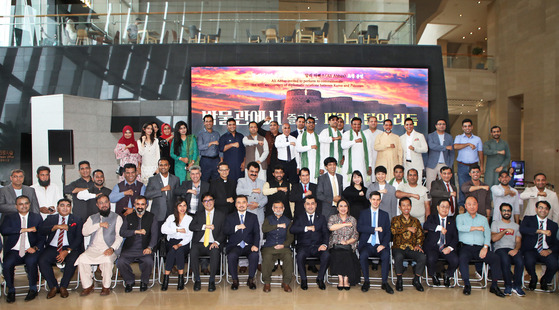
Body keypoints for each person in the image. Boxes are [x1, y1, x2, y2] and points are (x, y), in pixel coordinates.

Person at [456, 196, 504, 297]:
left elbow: (487, 234)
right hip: (465, 247)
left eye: (474, 204)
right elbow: (460, 228)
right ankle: (467, 284)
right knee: (462, 258)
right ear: (465, 206)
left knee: (495, 258)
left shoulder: (483, 219)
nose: (472, 206)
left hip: (480, 248)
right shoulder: (460, 217)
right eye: (469, 204)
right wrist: (476, 228)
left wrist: (485, 247)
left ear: (477, 205)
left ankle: (494, 285)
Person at [76, 194, 123, 297]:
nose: (104, 205)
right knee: (82, 258)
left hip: (109, 248)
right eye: (101, 203)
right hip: (93, 248)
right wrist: (99, 225)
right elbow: (84, 232)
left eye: (106, 202)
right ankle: (88, 286)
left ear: (109, 203)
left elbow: (119, 237)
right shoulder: (92, 218)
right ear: (97, 205)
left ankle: (106, 287)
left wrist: (112, 248)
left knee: (107, 259)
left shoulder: (117, 217)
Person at [1, 195, 44, 303]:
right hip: (14, 250)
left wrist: (35, 247)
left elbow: (42, 236)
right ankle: (11, 290)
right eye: (20, 204)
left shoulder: (36, 217)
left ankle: (33, 288)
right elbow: (4, 230)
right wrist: (23, 229)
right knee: (7, 264)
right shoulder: (9, 217)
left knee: (31, 261)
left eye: (26, 203)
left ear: (29, 204)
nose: (23, 206)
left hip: (30, 249)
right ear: (16, 206)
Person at [38, 198, 84, 299]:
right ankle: (53, 286)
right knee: (42, 260)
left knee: (72, 260)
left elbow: (79, 238)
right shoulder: (51, 219)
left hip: (70, 248)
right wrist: (54, 227)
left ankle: (63, 286)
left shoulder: (77, 219)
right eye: (62, 205)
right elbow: (40, 230)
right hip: (53, 247)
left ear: (71, 208)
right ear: (58, 207)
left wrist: (67, 251)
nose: (65, 208)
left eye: (68, 205)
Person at [117, 195, 158, 293]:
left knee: (148, 261)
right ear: (134, 205)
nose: (140, 206)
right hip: (130, 248)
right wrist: (135, 231)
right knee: (121, 262)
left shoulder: (151, 217)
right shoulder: (129, 217)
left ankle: (144, 281)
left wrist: (150, 247)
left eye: (142, 204)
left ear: (146, 205)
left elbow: (155, 235)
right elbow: (122, 232)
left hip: (145, 248)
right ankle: (129, 281)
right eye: (138, 204)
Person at [290, 196, 330, 290]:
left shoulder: (321, 218)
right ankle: (304, 280)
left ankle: (320, 278)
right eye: (308, 204)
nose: (310, 206)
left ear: (316, 205)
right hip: (304, 246)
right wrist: (305, 228)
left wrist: (324, 245)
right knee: (299, 256)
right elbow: (292, 229)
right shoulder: (299, 217)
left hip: (318, 246)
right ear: (304, 205)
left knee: (327, 255)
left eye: (312, 203)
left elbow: (326, 233)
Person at [357, 191, 393, 294]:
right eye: (373, 199)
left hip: (380, 244)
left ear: (380, 201)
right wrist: (374, 229)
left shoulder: (385, 215)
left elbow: (387, 233)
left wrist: (383, 245)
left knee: (386, 255)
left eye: (378, 200)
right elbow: (360, 227)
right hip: (367, 244)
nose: (375, 202)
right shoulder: (363, 213)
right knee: (363, 256)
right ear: (370, 200)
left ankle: (385, 282)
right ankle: (366, 281)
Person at [189, 193, 226, 292]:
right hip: (200, 243)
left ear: (214, 201)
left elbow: (224, 231)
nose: (208, 203)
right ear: (202, 203)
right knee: (193, 251)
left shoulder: (221, 214)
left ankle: (212, 280)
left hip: (213, 243)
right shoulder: (199, 214)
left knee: (214, 251)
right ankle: (197, 279)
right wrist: (204, 226)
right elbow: (191, 227)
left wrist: (217, 242)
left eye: (210, 200)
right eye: (205, 201)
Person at [519, 200, 559, 291]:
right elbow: (523, 229)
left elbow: (556, 244)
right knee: (528, 260)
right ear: (536, 209)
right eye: (541, 207)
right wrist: (540, 231)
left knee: (554, 264)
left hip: (546, 250)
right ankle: (533, 278)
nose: (543, 210)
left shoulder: (553, 225)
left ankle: (545, 280)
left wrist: (549, 251)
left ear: (548, 211)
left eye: (546, 209)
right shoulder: (528, 219)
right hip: (531, 250)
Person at [224, 195, 260, 290]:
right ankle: (235, 281)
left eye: (243, 202)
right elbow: (225, 231)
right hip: (235, 245)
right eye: (239, 202)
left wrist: (255, 245)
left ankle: (251, 279)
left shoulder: (253, 217)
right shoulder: (229, 217)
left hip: (249, 246)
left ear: (247, 204)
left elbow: (257, 233)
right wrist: (236, 227)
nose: (241, 205)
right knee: (231, 256)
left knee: (254, 255)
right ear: (235, 205)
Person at [390, 197, 426, 292]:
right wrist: (407, 228)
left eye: (408, 205)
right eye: (403, 205)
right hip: (398, 247)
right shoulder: (395, 219)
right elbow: (393, 231)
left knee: (422, 257)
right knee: (398, 257)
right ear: (400, 207)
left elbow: (420, 235)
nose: (406, 207)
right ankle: (399, 280)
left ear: (411, 206)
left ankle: (417, 280)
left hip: (411, 248)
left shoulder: (415, 221)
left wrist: (418, 245)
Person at [491, 203, 525, 296]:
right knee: (505, 260)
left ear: (511, 212)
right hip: (500, 248)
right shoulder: (495, 223)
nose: (506, 212)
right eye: (504, 210)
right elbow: (494, 238)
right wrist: (505, 231)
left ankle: (517, 286)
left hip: (513, 249)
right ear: (501, 212)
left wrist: (516, 249)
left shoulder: (516, 226)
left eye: (508, 211)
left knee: (520, 261)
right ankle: (508, 285)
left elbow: (518, 241)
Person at [423, 199, 459, 287]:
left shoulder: (452, 221)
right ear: (438, 207)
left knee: (455, 260)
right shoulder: (432, 218)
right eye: (442, 206)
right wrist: (439, 228)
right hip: (433, 247)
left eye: (447, 207)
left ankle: (448, 275)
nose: (445, 209)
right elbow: (426, 225)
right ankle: (434, 275)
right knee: (430, 259)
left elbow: (455, 238)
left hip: (446, 247)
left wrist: (450, 248)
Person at [160, 198, 193, 291]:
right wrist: (177, 230)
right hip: (171, 241)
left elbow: (189, 236)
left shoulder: (189, 219)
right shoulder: (171, 217)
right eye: (180, 205)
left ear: (187, 207)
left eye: (184, 205)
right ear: (176, 207)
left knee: (178, 251)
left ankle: (178, 278)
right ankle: (169, 278)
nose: (182, 208)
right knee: (172, 250)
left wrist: (179, 244)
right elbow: (163, 229)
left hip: (184, 242)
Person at [261, 201, 294, 293]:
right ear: (272, 209)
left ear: (283, 209)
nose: (278, 209)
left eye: (280, 207)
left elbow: (290, 237)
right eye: (276, 207)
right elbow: (264, 229)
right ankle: (267, 282)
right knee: (267, 258)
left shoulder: (288, 221)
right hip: (269, 246)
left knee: (288, 258)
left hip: (283, 247)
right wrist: (277, 226)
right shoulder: (268, 219)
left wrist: (284, 245)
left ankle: (286, 282)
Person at [327, 199, 360, 290]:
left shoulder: (352, 219)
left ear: (348, 208)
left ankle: (346, 279)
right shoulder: (333, 218)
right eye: (341, 206)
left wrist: (347, 242)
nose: (343, 208)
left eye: (345, 206)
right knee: (339, 253)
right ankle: (340, 279)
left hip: (349, 245)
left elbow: (355, 235)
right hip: (335, 244)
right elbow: (331, 227)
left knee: (347, 253)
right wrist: (344, 224)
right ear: (337, 208)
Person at [454, 119, 484, 207]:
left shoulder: (477, 139)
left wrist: (481, 166)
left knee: (474, 185)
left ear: (472, 127)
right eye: (465, 126)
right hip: (462, 165)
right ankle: (462, 205)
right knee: (463, 186)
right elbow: (455, 146)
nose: (467, 128)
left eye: (469, 126)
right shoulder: (459, 137)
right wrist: (467, 144)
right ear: (463, 128)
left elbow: (480, 153)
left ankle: (473, 205)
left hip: (474, 166)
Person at [145, 158, 180, 226]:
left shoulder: (176, 179)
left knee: (170, 235)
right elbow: (147, 194)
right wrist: (161, 190)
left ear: (169, 166)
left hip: (171, 213)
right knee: (157, 235)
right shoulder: (152, 179)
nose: (163, 167)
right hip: (158, 214)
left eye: (165, 165)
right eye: (161, 165)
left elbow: (178, 196)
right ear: (158, 166)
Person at [341, 117, 371, 187]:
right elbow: (343, 145)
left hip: (362, 164)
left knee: (362, 183)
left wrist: (369, 165)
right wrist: (354, 141)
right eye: (354, 124)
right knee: (348, 183)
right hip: (350, 164)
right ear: (351, 125)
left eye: (358, 124)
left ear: (361, 125)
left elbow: (369, 151)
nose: (357, 126)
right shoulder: (347, 134)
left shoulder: (365, 135)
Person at [425, 119, 454, 191]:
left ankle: (444, 201)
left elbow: (452, 152)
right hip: (432, 165)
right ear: (436, 126)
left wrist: (450, 165)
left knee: (444, 185)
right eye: (440, 124)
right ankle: (429, 201)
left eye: (443, 124)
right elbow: (432, 146)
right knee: (430, 185)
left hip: (444, 164)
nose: (442, 126)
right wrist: (445, 147)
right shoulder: (430, 136)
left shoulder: (449, 137)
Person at [399, 118, 428, 182]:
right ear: (404, 126)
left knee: (418, 182)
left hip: (417, 163)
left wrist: (415, 149)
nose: (409, 126)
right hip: (406, 164)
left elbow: (425, 149)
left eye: (410, 124)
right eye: (407, 125)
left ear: (413, 125)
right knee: (406, 183)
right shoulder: (401, 137)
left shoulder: (419, 136)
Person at [296, 116, 321, 183]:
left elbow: (321, 153)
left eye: (313, 123)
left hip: (315, 164)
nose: (311, 124)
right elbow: (298, 149)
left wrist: (321, 167)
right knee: (304, 181)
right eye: (309, 122)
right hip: (304, 163)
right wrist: (310, 147)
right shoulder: (301, 136)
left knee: (315, 182)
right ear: (306, 124)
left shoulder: (317, 136)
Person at [257, 116, 281, 182]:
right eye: (270, 125)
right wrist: (264, 120)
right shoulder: (267, 134)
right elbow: (257, 127)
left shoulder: (282, 136)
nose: (272, 127)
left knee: (278, 179)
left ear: (278, 127)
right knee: (269, 179)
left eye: (274, 125)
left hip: (278, 161)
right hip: (268, 161)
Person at [197, 114, 221, 182]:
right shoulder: (201, 134)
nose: (208, 123)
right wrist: (211, 143)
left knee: (216, 180)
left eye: (210, 121)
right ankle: (205, 193)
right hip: (205, 160)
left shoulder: (216, 134)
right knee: (204, 180)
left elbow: (220, 148)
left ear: (213, 122)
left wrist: (221, 160)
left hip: (216, 160)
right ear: (204, 123)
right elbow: (200, 147)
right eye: (207, 121)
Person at [363, 116, 382, 183]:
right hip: (367, 159)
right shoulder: (363, 133)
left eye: (375, 121)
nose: (373, 123)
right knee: (367, 179)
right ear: (368, 123)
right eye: (371, 121)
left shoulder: (381, 133)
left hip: (379, 158)